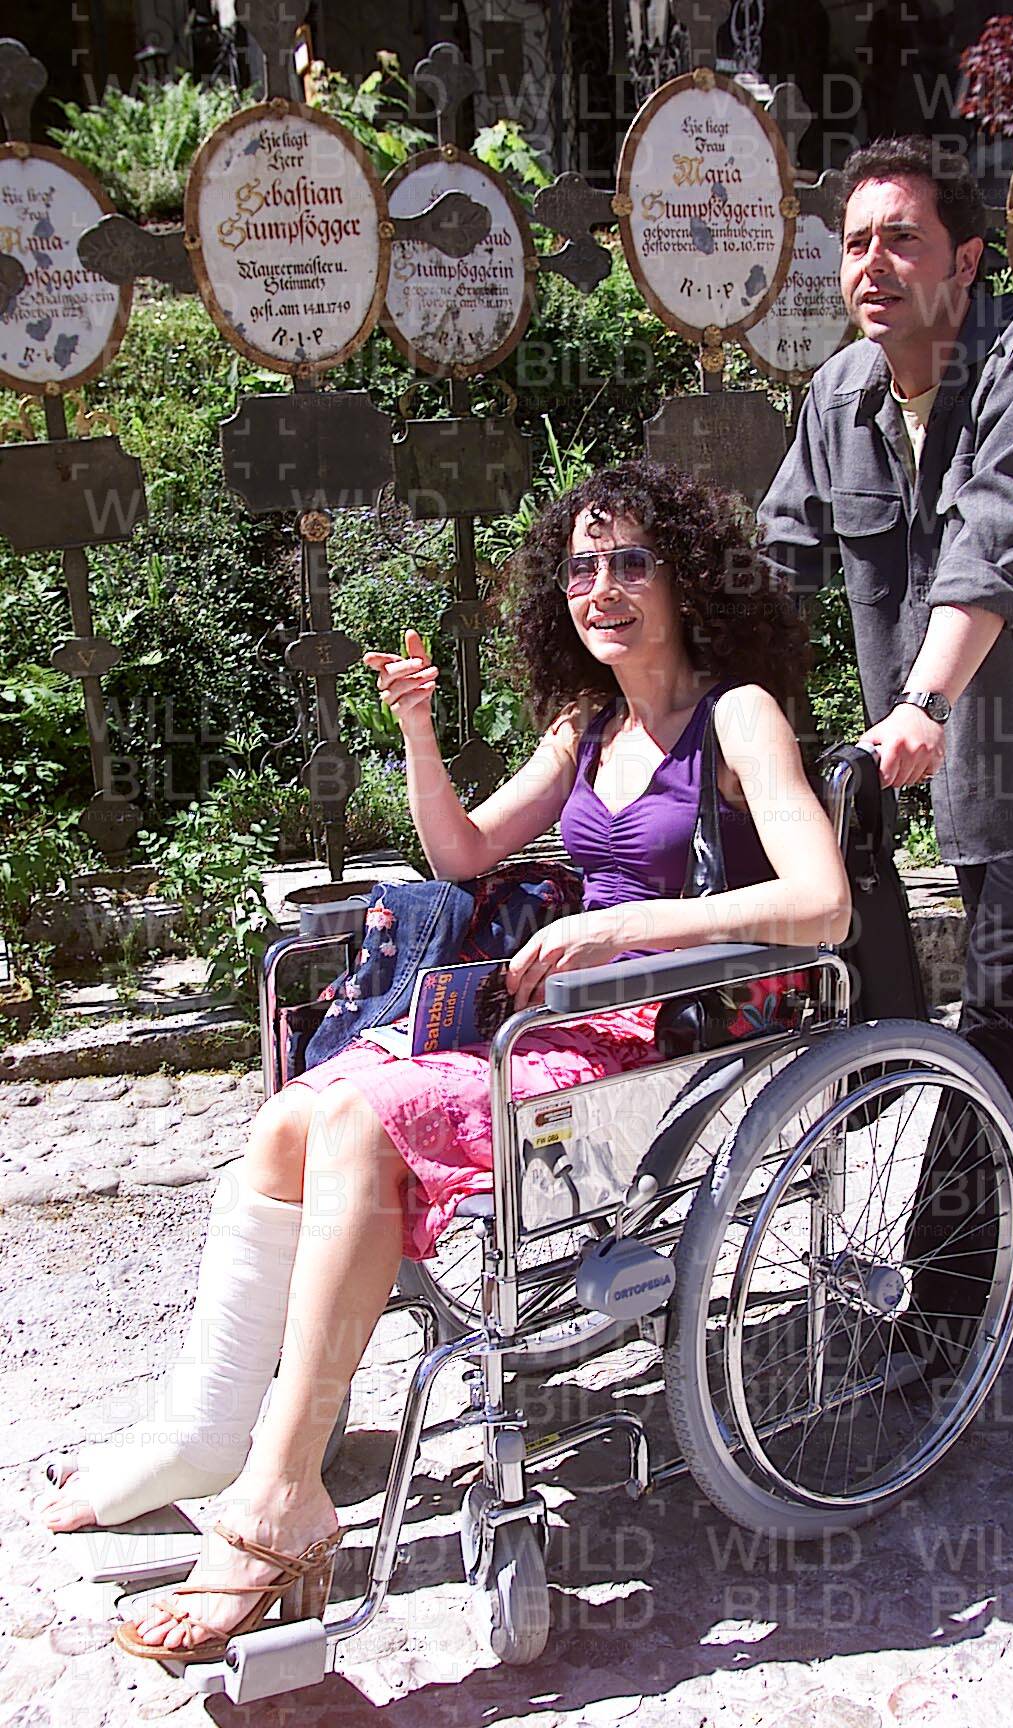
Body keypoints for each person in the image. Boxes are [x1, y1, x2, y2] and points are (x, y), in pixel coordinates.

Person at [38, 460, 851, 1660]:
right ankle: (210, 1434)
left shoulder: (737, 718)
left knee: (361, 1124)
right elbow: (464, 856)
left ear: (686, 580)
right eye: (581, 566)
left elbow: (822, 903)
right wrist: (418, 729)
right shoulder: (588, 727)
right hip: (554, 1023)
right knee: (290, 1120)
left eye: (631, 561)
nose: (603, 587)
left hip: (663, 1039)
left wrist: (625, 924)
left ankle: (280, 1497)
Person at [757, 136, 1013, 1249]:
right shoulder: (839, 397)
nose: (871, 266)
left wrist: (922, 704)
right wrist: (687, 699)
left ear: (966, 259)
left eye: (902, 239)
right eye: (855, 244)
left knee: (1003, 997)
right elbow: (774, 569)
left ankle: (942, 1293)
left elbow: (995, 540)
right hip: (949, 745)